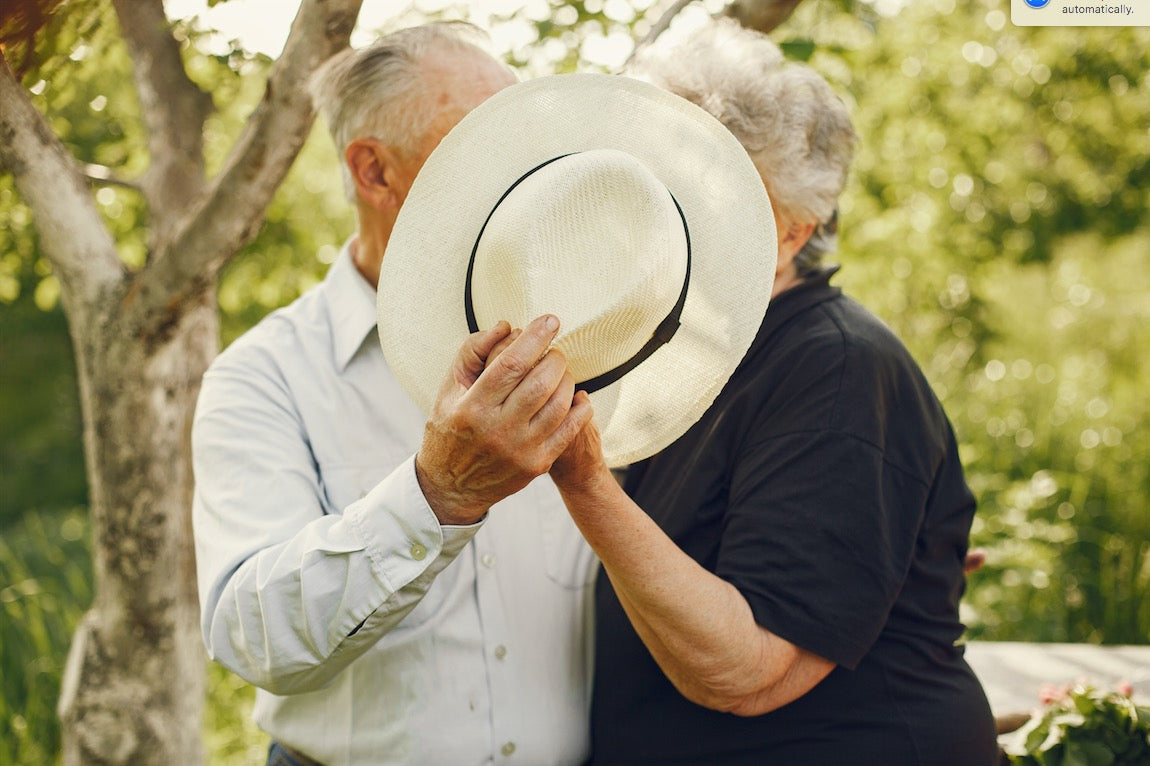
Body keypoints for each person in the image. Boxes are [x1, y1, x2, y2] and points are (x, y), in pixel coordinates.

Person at [541, 19, 999, 765]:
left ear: (794, 229)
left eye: (713, 193)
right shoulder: (685, 349)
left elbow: (748, 673)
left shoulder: (835, 368)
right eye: (660, 179)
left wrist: (585, 478)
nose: (670, 214)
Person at [191, 23, 596, 766]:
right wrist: (433, 494)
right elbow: (254, 638)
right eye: (484, 146)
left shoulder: (584, 341)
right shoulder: (262, 377)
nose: (524, 176)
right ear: (376, 172)